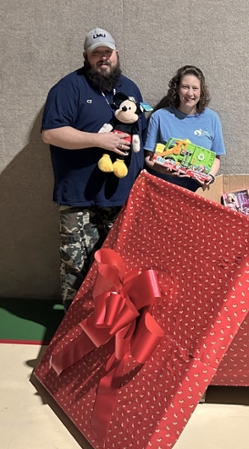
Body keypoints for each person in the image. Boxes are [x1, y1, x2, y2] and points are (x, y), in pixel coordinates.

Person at [41, 28, 147, 310]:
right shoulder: (67, 88)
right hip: (79, 200)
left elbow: (141, 136)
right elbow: (51, 134)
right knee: (77, 269)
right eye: (96, 53)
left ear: (116, 54)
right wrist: (100, 140)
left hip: (122, 198)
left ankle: (114, 326)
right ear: (85, 57)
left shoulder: (131, 88)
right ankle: (72, 334)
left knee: (121, 268)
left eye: (107, 52)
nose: (103, 58)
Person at [144, 65, 225, 191]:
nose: (190, 93)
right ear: (176, 89)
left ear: (201, 91)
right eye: (185, 87)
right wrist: (162, 169)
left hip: (197, 192)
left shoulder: (212, 118)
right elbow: (148, 157)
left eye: (195, 88)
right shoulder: (159, 117)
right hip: (164, 190)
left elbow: (215, 158)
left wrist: (210, 177)